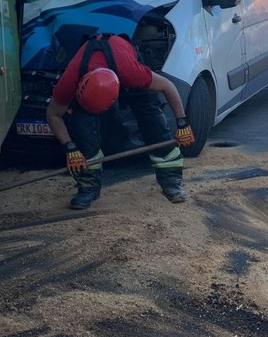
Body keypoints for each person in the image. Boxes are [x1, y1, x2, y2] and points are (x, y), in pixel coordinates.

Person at [45, 34, 195, 210]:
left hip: (121, 60)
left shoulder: (131, 73)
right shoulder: (71, 79)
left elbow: (168, 86)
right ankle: (88, 187)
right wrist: (70, 148)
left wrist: (182, 123)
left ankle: (171, 182)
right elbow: (53, 115)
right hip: (90, 73)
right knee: (82, 127)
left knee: (151, 118)